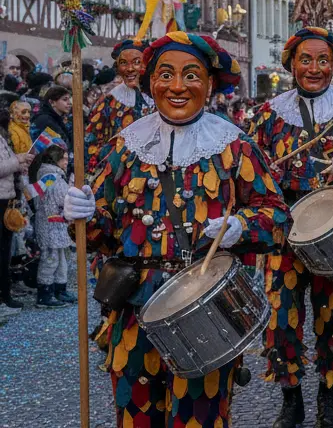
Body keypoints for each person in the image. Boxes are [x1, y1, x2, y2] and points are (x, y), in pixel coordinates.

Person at [62, 31, 289, 427]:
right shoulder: (125, 146)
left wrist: (240, 226)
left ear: (210, 83)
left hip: (206, 305)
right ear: (150, 82)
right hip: (134, 307)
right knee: (135, 415)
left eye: (192, 75)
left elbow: (277, 217)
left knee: (199, 416)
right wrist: (82, 216)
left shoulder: (233, 145)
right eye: (165, 74)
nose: (178, 86)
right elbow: (100, 234)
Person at [247, 27, 333, 428]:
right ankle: (291, 398)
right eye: (305, 60)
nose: (314, 68)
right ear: (291, 64)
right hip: (285, 232)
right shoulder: (271, 113)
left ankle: (329, 396)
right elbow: (252, 173)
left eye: (323, 60)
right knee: (281, 319)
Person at [83, 40, 154, 172]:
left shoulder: (160, 98)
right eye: (123, 63)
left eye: (137, 62)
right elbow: (91, 143)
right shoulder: (109, 101)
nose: (130, 68)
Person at [29, 144, 73, 308]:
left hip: (55, 224)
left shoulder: (52, 175)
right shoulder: (51, 177)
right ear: (56, 159)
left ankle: (59, 288)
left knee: (60, 258)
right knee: (50, 259)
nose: (66, 162)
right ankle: (45, 293)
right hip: (51, 224)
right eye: (64, 159)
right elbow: (62, 198)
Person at [0, 105, 32, 309]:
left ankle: (5, 292)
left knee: (5, 250)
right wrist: (17, 160)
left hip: (7, 197)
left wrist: (20, 165)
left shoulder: (3, 138)